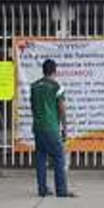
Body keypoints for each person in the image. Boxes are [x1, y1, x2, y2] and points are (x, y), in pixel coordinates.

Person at [31, 59, 75, 198]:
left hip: (38, 127)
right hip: (51, 127)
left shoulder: (34, 86)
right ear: (55, 71)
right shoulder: (57, 87)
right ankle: (61, 190)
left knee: (40, 158)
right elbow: (62, 109)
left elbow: (33, 106)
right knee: (59, 158)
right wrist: (65, 128)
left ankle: (42, 189)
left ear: (43, 70)